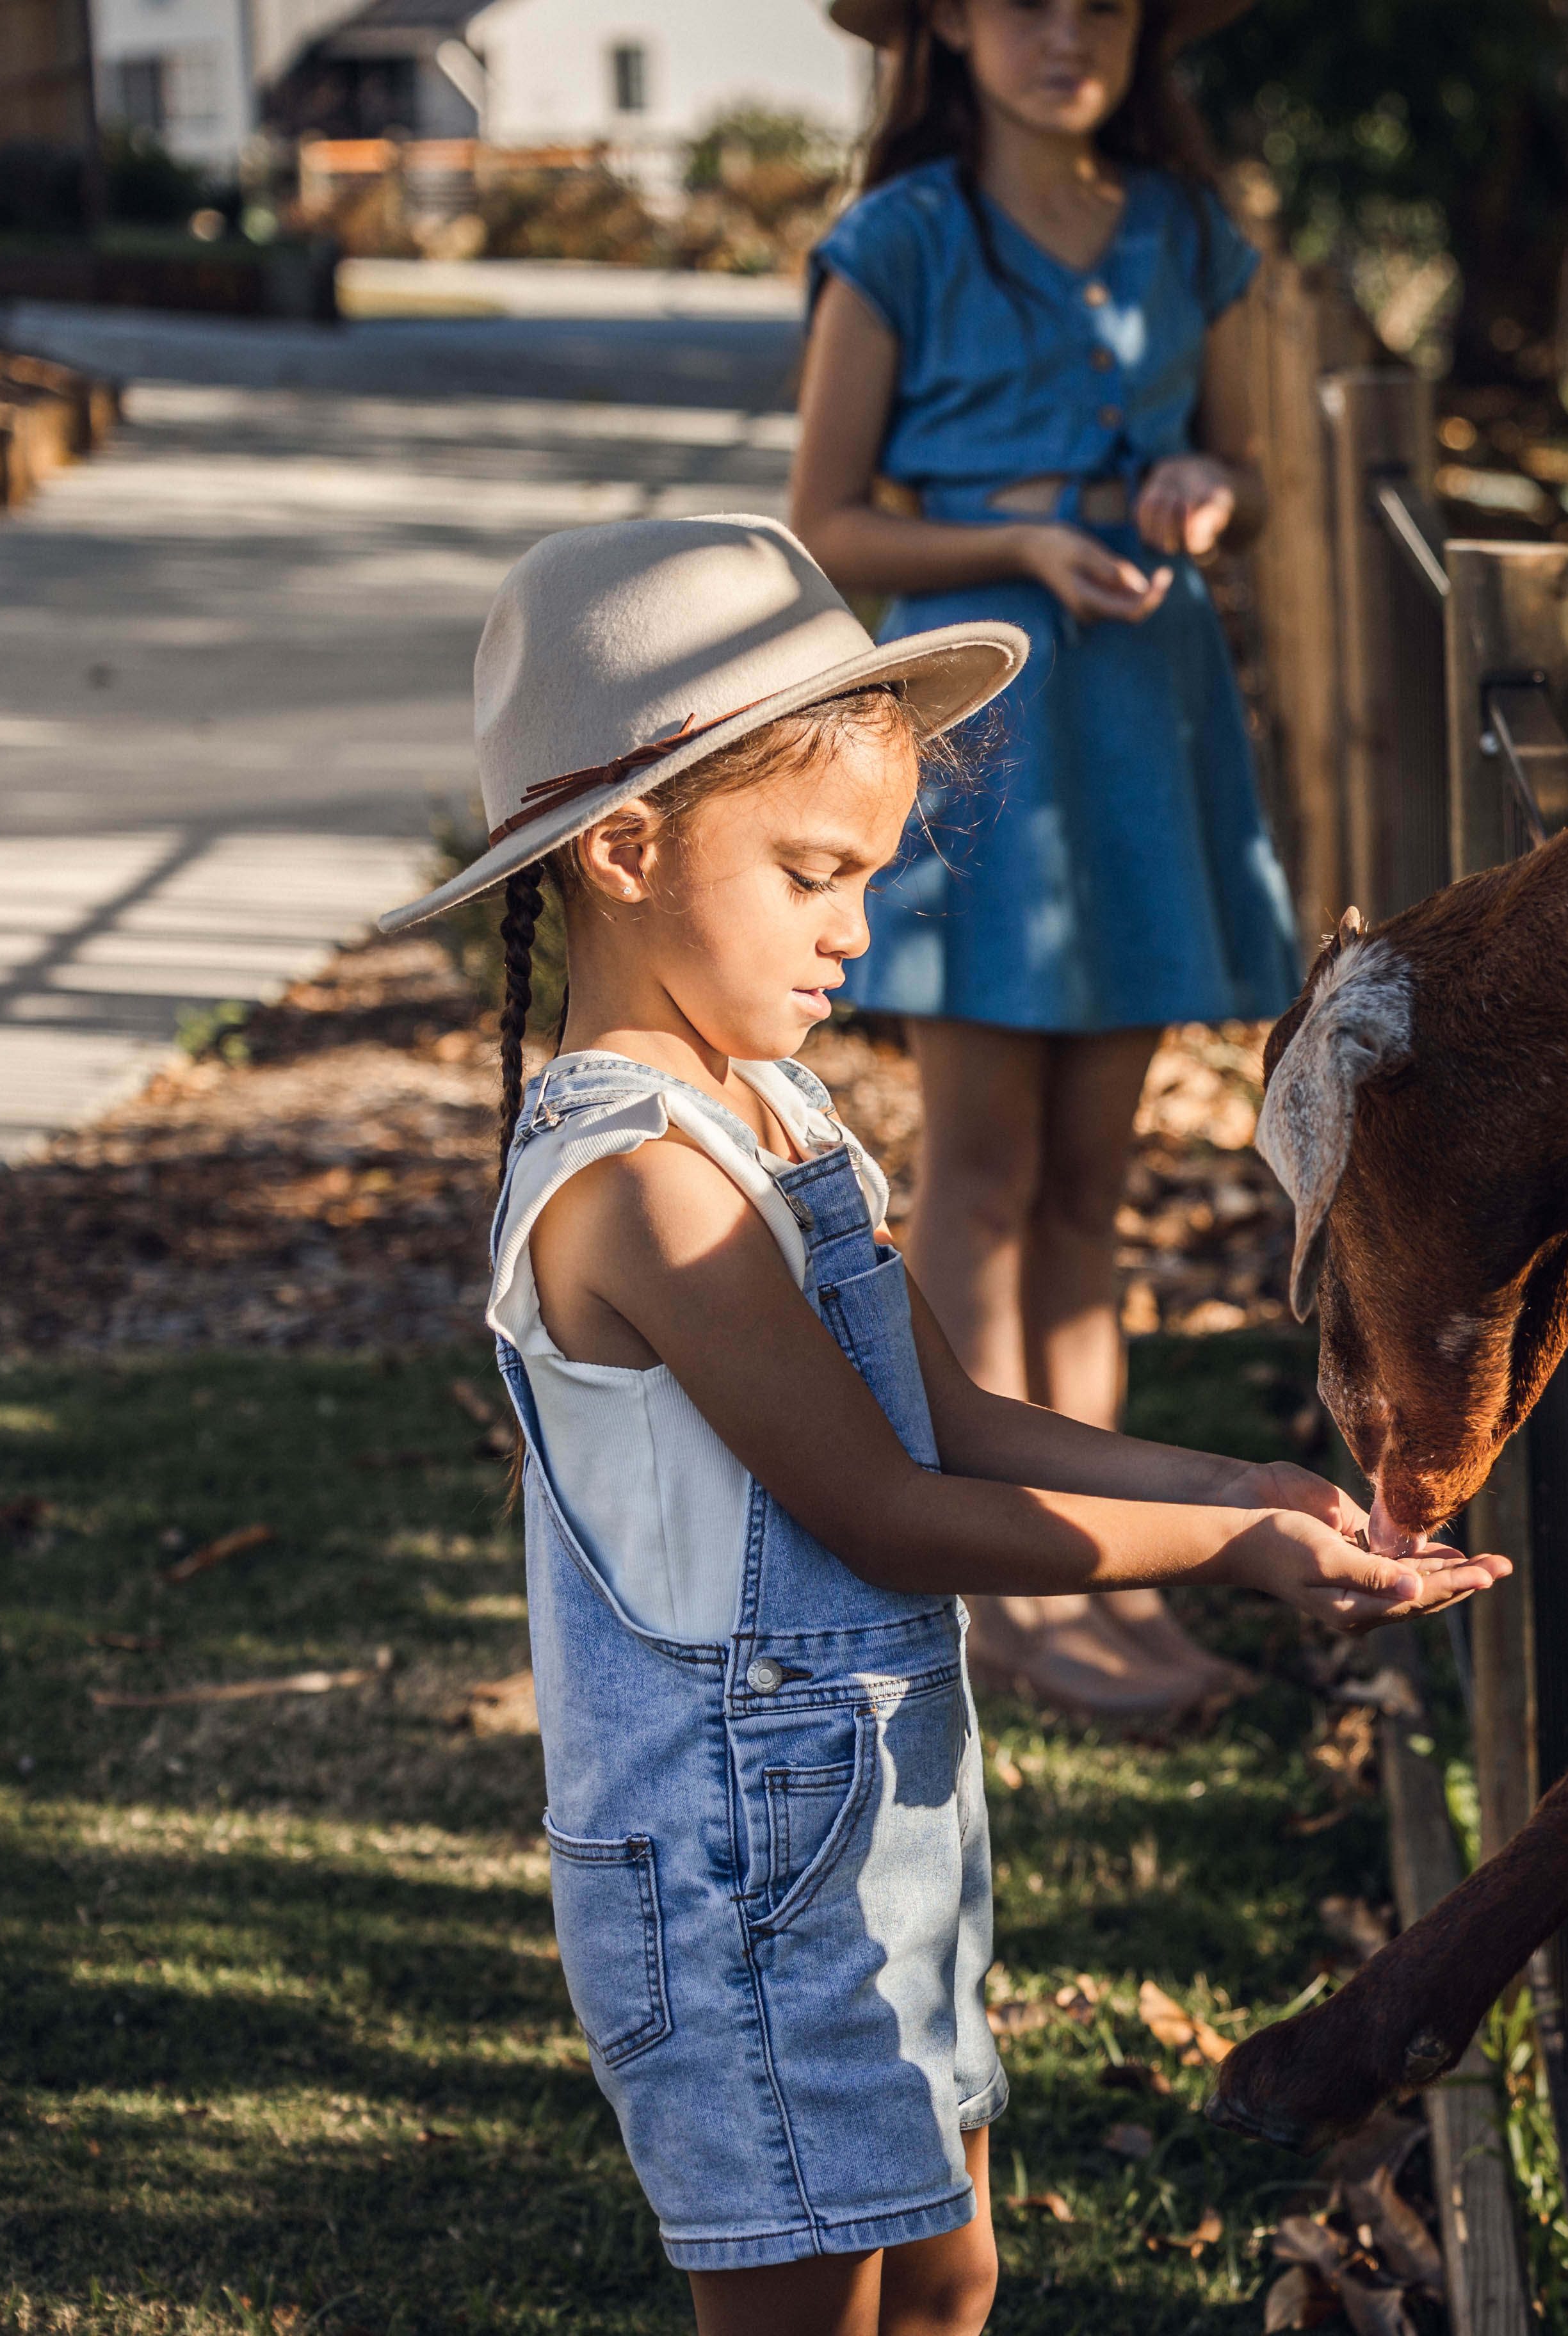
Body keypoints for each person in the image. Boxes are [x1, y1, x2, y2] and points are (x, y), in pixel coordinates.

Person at [377, 515, 1500, 2335]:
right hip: (737, 1874)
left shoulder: (780, 1113)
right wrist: (1233, 1553)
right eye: (816, 874)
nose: (859, 930)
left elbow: (956, 1413)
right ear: (627, 847)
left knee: (950, 2270)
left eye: (871, 875)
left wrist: (1246, 1479)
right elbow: (888, 1515)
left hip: (881, 1835)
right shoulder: (642, 1184)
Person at [792, 0, 1291, 1729]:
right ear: (946, 22)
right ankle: (999, 1583)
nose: (1062, 30)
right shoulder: (901, 238)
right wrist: (1013, 537)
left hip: (1143, 720)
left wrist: (1199, 494)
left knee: (1095, 1184)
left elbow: (1243, 466)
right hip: (984, 718)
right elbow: (825, 522)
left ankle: (1116, 1564)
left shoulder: (1187, 234)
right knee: (984, 1181)